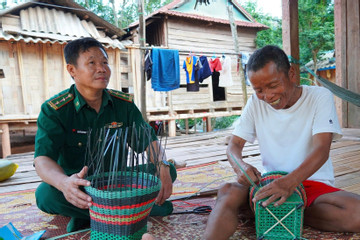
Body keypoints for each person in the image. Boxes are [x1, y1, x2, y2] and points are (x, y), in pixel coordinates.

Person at [204, 45, 360, 240]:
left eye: (272, 86)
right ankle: (269, 210)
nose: (267, 96)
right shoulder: (255, 103)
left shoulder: (319, 97)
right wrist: (240, 166)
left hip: (309, 183)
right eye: (259, 89)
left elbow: (322, 149)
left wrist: (290, 183)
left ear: (291, 74)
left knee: (357, 214)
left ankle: (273, 212)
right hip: (267, 184)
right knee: (227, 191)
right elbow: (233, 146)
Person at [34, 37, 176, 233]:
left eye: (104, 62)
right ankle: (139, 212)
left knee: (168, 170)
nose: (102, 69)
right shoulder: (55, 110)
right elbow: (43, 159)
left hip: (117, 185)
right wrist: (64, 183)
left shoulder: (123, 105)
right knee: (45, 195)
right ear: (72, 70)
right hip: (81, 186)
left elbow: (148, 142)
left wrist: (162, 165)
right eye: (92, 63)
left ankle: (91, 216)